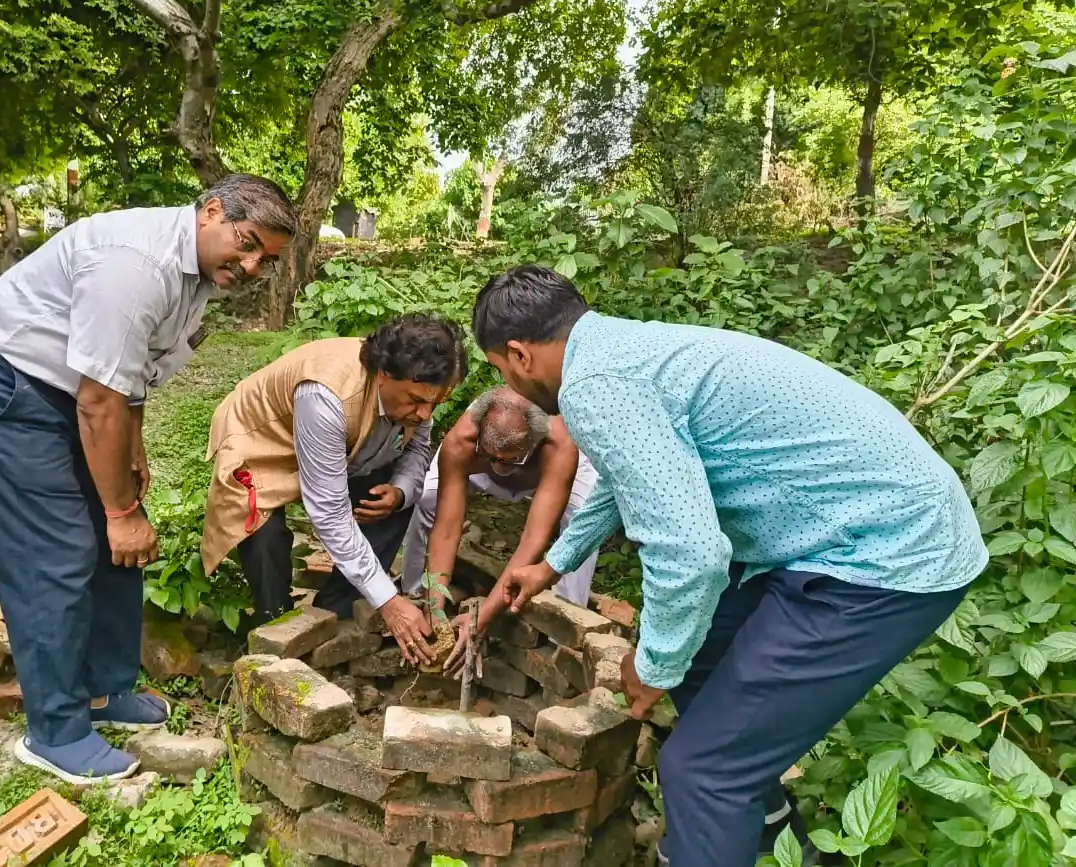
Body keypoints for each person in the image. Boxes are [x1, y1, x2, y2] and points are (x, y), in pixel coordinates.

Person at [476, 265, 987, 867]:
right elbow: (635, 481)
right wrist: (553, 564)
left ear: (518, 353)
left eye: (499, 369)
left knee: (700, 769)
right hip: (836, 532)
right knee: (704, 659)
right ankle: (773, 839)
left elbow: (691, 552)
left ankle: (718, 818)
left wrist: (655, 664)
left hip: (883, 555)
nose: (507, 380)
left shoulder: (593, 386)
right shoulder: (619, 349)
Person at [0, 175, 296, 785]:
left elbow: (130, 374)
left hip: (76, 395)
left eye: (268, 258)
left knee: (118, 549)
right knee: (56, 553)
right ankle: (54, 731)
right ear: (211, 212)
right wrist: (121, 511)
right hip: (3, 390)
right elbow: (101, 393)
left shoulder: (199, 277)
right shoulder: (135, 267)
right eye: (248, 242)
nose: (254, 264)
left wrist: (132, 451)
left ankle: (104, 690)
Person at [200, 314, 466, 666]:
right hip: (264, 440)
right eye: (416, 401)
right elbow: (329, 512)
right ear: (384, 374)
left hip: (349, 447)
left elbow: (418, 449)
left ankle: (334, 615)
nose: (425, 413)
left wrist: (401, 491)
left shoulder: (421, 389)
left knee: (388, 505)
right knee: (262, 532)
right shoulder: (325, 396)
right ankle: (274, 630)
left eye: (436, 404)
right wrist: (390, 602)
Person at [398, 386, 600, 666]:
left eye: (509, 459)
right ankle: (417, 592)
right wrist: (437, 608)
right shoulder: (463, 441)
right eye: (491, 456)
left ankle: (564, 635)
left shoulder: (560, 443)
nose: (498, 466)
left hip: (549, 473)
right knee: (428, 497)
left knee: (584, 526)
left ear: (535, 441)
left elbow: (533, 539)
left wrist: (482, 617)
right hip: (482, 459)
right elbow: (447, 528)